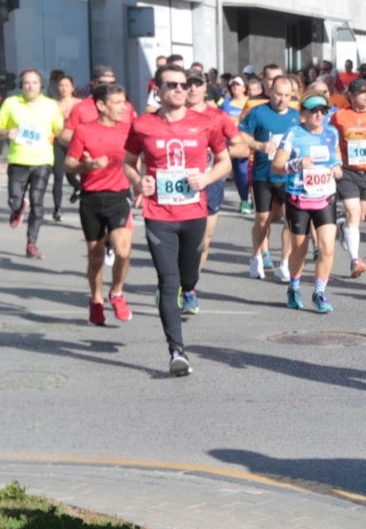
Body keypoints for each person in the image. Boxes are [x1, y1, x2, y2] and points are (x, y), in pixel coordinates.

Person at [123, 65, 233, 375]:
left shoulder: (205, 123)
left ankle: (187, 289)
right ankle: (177, 351)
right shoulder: (143, 125)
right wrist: (138, 182)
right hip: (159, 214)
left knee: (188, 280)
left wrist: (207, 178)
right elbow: (129, 162)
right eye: (172, 85)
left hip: (194, 213)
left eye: (183, 85)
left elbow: (224, 161)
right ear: (157, 90)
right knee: (168, 283)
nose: (180, 90)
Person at [64, 82, 136, 326]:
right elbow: (69, 163)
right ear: (101, 106)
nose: (124, 108)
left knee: (123, 250)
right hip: (91, 197)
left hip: (119, 195)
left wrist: (140, 186)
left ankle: (116, 292)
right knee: (95, 257)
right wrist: (89, 166)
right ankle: (96, 299)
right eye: (117, 103)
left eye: (124, 102)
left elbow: (136, 160)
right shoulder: (84, 130)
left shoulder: (129, 129)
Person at [274, 93, 343, 314]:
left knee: (327, 248)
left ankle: (319, 292)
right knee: (300, 250)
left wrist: (337, 170)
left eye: (323, 111)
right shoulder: (294, 133)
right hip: (298, 198)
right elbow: (277, 166)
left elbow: (338, 160)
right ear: (303, 112)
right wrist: (296, 164)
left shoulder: (332, 133)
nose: (319, 115)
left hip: (325, 197)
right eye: (313, 110)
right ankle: (294, 287)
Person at [185, 72, 250, 301]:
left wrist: (216, 151)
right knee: (177, 241)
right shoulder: (171, 116)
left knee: (203, 241)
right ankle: (172, 281)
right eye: (187, 84)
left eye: (197, 84)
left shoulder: (217, 117)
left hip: (210, 182)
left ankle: (189, 287)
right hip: (178, 186)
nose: (192, 89)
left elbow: (242, 149)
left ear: (206, 88)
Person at [0, 69, 64, 259]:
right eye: (26, 83)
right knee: (14, 200)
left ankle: (31, 243)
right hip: (18, 159)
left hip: (42, 160)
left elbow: (60, 128)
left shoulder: (50, 105)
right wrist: (7, 132)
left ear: (40, 85)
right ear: (21, 85)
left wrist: (56, 134)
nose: (30, 86)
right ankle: (18, 207)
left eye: (34, 83)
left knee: (37, 202)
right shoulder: (11, 103)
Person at [240, 75, 301, 282]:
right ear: (270, 92)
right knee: (262, 219)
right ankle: (256, 257)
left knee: (289, 218)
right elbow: (241, 134)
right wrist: (258, 146)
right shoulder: (258, 112)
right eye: (278, 94)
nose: (282, 99)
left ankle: (284, 263)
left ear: (291, 95)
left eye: (286, 95)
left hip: (287, 176)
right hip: (262, 174)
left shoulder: (296, 116)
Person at [332, 79, 366, 279]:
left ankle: (344, 227)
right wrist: (335, 160)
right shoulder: (340, 116)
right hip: (348, 172)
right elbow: (331, 138)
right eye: (361, 93)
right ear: (351, 96)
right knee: (353, 213)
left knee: (359, 217)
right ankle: (355, 260)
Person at [48, 74, 80, 221]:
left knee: (71, 173)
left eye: (67, 85)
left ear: (72, 88)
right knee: (58, 175)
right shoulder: (53, 104)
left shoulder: (79, 104)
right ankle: (57, 208)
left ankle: (78, 187)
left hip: (75, 143)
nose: (63, 88)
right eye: (61, 85)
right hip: (58, 143)